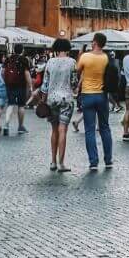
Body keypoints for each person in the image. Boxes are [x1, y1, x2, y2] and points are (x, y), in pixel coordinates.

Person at [34, 38, 76, 172]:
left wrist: (43, 100)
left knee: (54, 130)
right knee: (63, 130)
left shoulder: (50, 62)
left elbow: (45, 85)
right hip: (66, 99)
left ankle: (52, 162)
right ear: (68, 48)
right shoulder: (72, 62)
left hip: (51, 100)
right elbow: (74, 83)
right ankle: (61, 163)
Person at [77, 32, 113, 171]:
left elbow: (78, 70)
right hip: (102, 95)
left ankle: (93, 162)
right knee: (105, 128)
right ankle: (108, 160)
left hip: (88, 95)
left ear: (95, 42)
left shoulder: (85, 56)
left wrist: (80, 53)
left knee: (90, 130)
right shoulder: (106, 57)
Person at [0, 48, 32, 135]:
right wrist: (30, 86)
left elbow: (2, 72)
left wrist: (6, 81)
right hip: (21, 85)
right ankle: (21, 126)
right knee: (21, 106)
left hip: (10, 85)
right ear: (22, 50)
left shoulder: (8, 58)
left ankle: (6, 125)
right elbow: (27, 73)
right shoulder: (24, 59)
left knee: (10, 104)